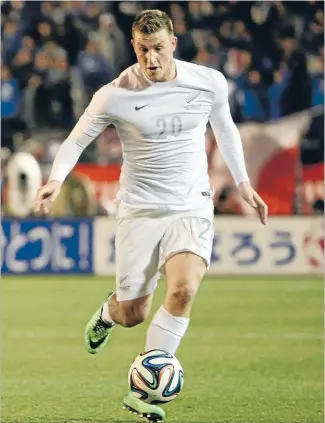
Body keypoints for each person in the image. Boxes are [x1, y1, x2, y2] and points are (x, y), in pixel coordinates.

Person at [34, 9, 268, 422]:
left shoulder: (209, 82)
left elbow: (225, 128)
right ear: (133, 46)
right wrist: (55, 179)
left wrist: (244, 182)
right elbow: (76, 140)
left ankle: (144, 393)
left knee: (183, 291)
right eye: (143, 50)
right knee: (133, 313)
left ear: (173, 44)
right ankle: (109, 313)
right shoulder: (114, 93)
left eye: (158, 48)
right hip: (140, 210)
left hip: (191, 204)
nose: (151, 59)